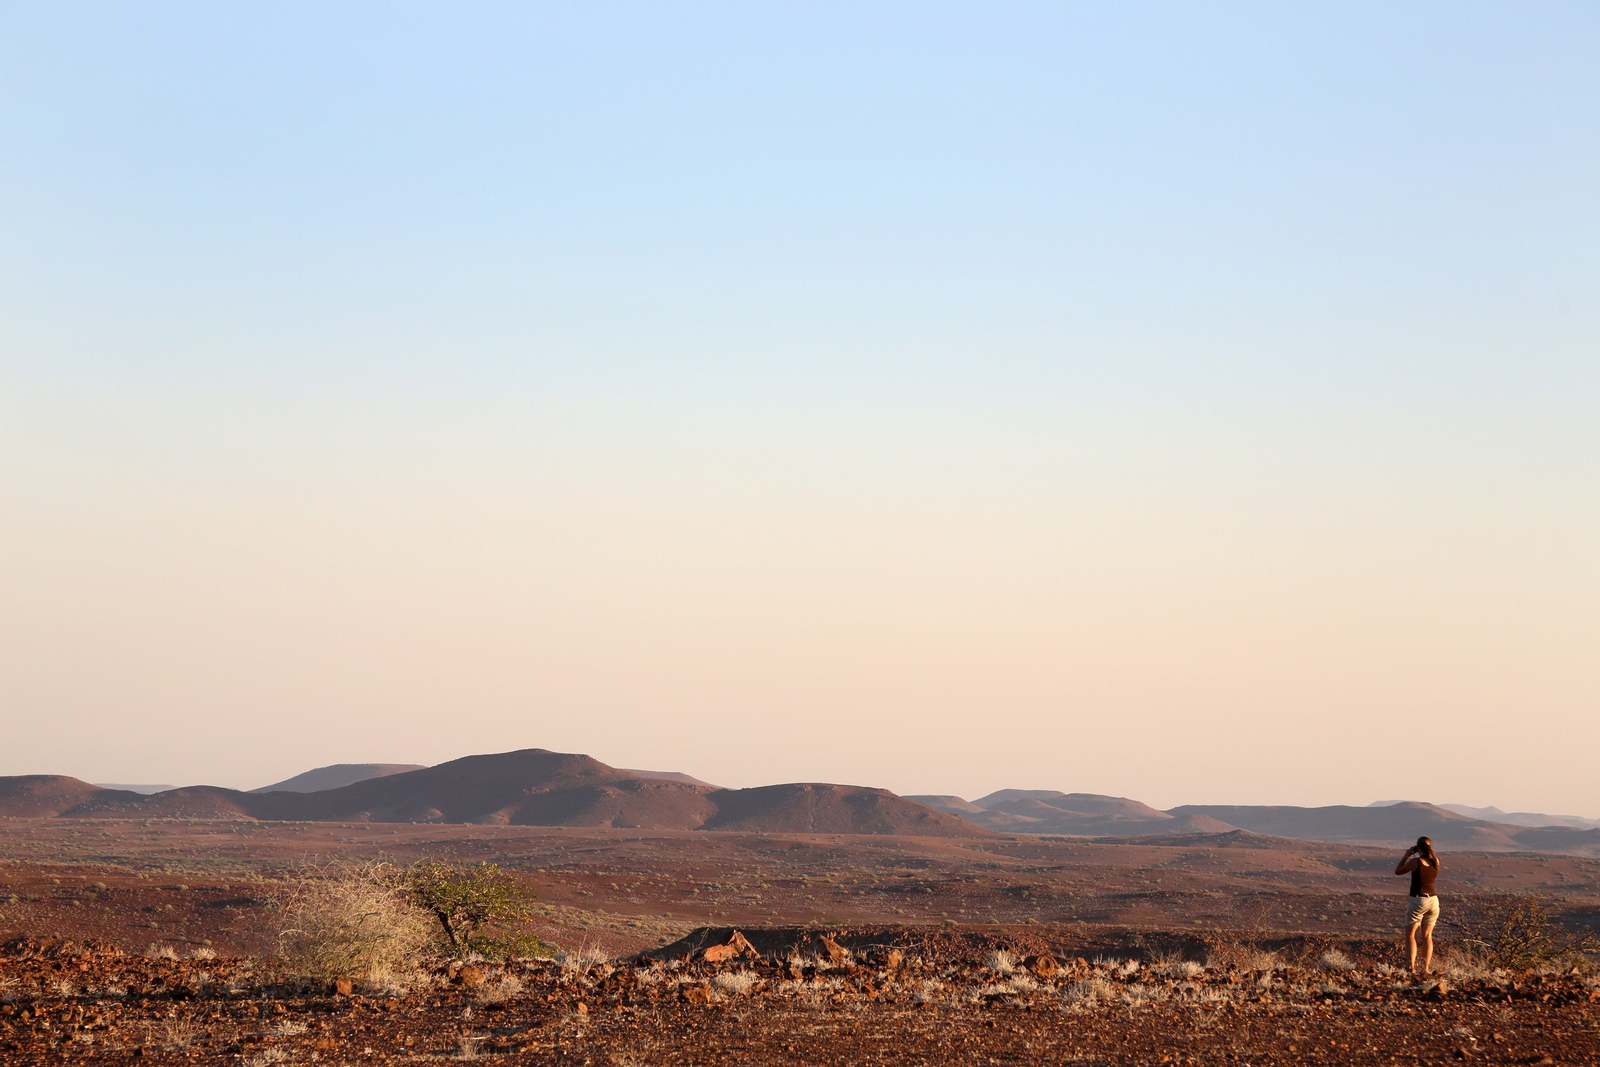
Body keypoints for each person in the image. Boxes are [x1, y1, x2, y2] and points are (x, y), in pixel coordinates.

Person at [1394, 836, 1441, 974]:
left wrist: (1406, 855)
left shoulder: (1415, 862)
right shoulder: (1435, 861)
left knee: (1410, 934)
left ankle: (1411, 967)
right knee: (1427, 935)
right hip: (1433, 900)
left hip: (1418, 900)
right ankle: (1426, 968)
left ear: (1417, 847)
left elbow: (1398, 871)